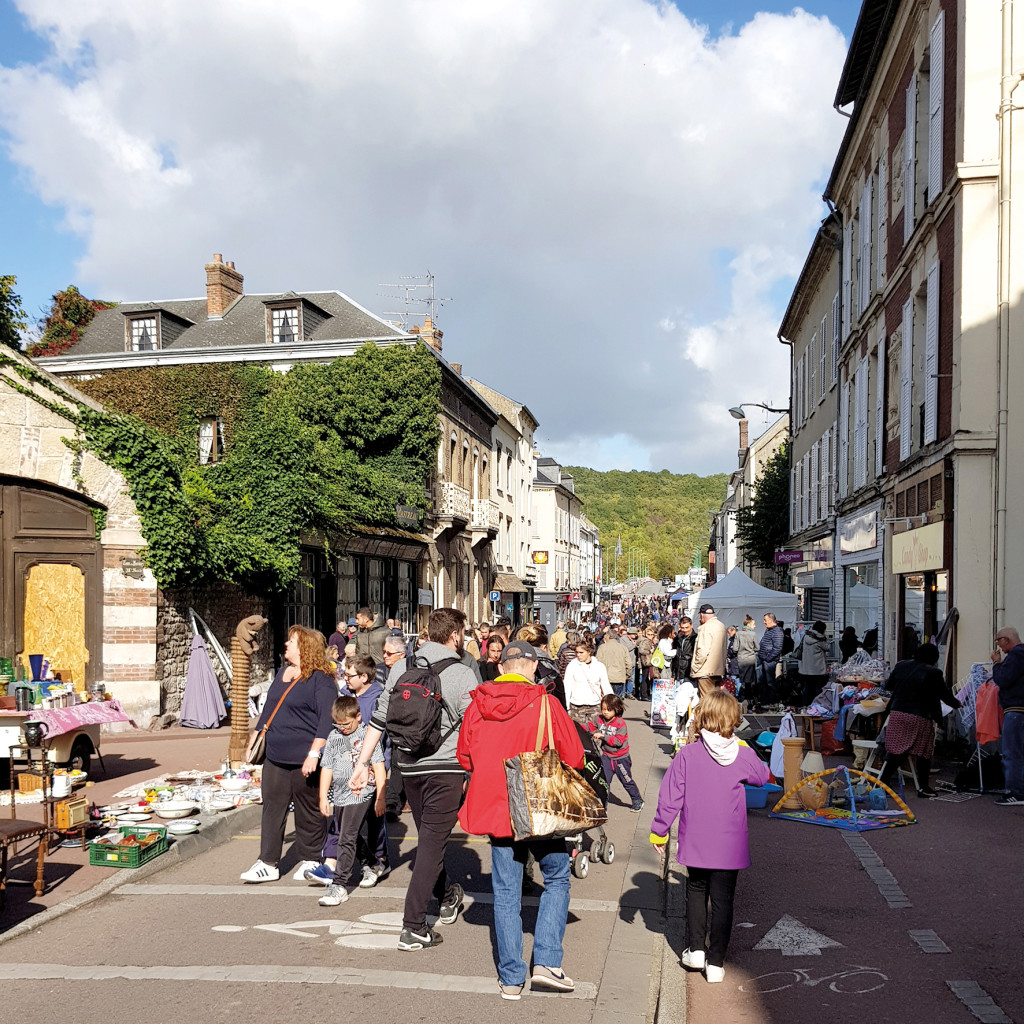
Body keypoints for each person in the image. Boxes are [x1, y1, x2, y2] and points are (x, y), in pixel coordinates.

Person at [456, 639, 584, 999]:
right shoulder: (545, 703)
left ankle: (511, 978)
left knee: (507, 893)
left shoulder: (477, 704)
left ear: (501, 668)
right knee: (557, 877)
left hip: (498, 810)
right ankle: (546, 962)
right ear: (530, 666)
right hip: (538, 806)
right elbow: (573, 756)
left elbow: (465, 758)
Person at [349, 607, 478, 951]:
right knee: (432, 844)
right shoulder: (463, 673)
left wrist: (363, 763)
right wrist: (474, 772)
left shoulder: (402, 667)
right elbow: (475, 728)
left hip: (409, 768)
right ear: (454, 635)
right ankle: (413, 926)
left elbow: (379, 719)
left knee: (430, 841)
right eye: (462, 634)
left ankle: (448, 893)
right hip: (446, 769)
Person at [649, 689, 770, 984]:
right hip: (729, 843)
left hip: (697, 839)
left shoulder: (689, 754)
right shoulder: (741, 752)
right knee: (723, 900)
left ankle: (695, 951)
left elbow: (670, 796)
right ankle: (716, 961)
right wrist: (744, 747)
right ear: (733, 720)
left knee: (696, 891)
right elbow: (763, 776)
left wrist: (659, 832)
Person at [241, 624, 337, 883]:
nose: (286, 645)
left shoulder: (321, 679)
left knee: (308, 809)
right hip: (275, 756)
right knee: (272, 807)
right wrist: (257, 733)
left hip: (304, 756)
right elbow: (270, 707)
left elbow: (326, 720)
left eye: (291, 641)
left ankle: (310, 857)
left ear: (305, 648)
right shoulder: (283, 672)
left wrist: (314, 753)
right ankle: (268, 861)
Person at [315, 696, 386, 906]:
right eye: (338, 724)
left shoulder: (367, 735)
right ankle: (372, 862)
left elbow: (379, 766)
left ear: (358, 716)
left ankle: (339, 885)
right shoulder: (334, 736)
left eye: (346, 723)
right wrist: (323, 796)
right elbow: (326, 767)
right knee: (349, 834)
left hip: (362, 791)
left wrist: (381, 796)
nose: (343, 728)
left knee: (346, 836)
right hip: (340, 794)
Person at [879, 643, 958, 798]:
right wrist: (959, 703)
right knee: (923, 752)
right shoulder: (934, 673)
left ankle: (884, 781)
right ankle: (923, 788)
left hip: (897, 713)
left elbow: (888, 686)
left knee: (896, 751)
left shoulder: (901, 665)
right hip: (919, 715)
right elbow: (945, 695)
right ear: (934, 657)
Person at [587, 694, 644, 811]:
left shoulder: (620, 724)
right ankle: (603, 804)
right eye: (603, 709)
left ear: (616, 709)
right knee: (604, 781)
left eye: (609, 709)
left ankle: (637, 800)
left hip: (621, 759)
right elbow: (589, 727)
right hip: (606, 757)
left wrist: (603, 736)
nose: (605, 712)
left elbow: (617, 742)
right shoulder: (598, 719)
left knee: (626, 781)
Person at [990, 626, 1024, 805]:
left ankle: (1016, 792)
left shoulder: (1016, 655)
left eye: (998, 640)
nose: (997, 645)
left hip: (1016, 710)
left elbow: (1002, 679)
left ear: (1007, 640)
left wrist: (997, 663)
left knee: (1012, 752)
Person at [564, 637, 612, 723]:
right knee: (578, 734)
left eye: (581, 652)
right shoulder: (572, 665)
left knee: (595, 733)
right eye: (576, 652)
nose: (578, 655)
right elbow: (567, 687)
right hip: (576, 706)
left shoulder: (599, 666)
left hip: (595, 706)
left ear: (589, 652)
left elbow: (606, 685)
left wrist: (611, 705)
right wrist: (567, 706)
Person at [690, 603, 727, 698]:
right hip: (718, 671)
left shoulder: (705, 628)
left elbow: (702, 651)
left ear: (701, 615)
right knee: (716, 702)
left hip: (705, 672)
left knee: (706, 702)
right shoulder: (721, 626)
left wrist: (695, 667)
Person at [798, 621, 830, 705]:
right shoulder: (820, 639)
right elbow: (828, 647)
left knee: (807, 688)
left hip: (806, 669)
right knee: (818, 689)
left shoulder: (806, 636)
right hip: (818, 669)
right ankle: (818, 705)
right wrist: (825, 638)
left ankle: (805, 705)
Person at [755, 613, 784, 706]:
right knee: (762, 681)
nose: (764, 622)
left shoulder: (777, 632)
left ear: (771, 620)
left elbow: (778, 648)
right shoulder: (769, 630)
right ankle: (764, 700)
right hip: (764, 659)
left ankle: (771, 700)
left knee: (770, 682)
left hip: (769, 661)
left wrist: (769, 658)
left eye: (765, 620)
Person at [596, 625, 630, 696]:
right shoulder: (623, 648)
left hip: (606, 677)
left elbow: (598, 663)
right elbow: (628, 663)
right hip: (619, 677)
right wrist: (627, 675)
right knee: (617, 699)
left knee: (607, 699)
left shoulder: (602, 647)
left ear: (607, 637)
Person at [735, 616, 758, 698]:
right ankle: (750, 698)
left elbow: (735, 648)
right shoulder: (753, 634)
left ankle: (742, 697)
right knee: (750, 680)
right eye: (753, 624)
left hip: (741, 659)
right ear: (749, 624)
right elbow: (757, 648)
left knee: (742, 679)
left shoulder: (738, 634)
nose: (755, 626)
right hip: (750, 659)